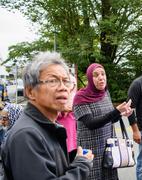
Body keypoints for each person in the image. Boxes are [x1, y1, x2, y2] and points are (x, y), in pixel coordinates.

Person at [0, 51, 94, 179]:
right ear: (30, 91)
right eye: (53, 81)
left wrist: (73, 159)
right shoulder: (26, 135)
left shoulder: (47, 125)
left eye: (66, 81)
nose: (63, 88)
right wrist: (81, 166)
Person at [73, 63, 133, 180]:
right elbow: (91, 123)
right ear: (90, 78)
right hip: (91, 149)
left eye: (103, 74)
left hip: (108, 147)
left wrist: (121, 114)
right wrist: (116, 111)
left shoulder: (105, 93)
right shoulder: (80, 97)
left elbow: (110, 120)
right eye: (96, 75)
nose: (101, 77)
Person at [57, 73, 78, 161]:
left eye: (73, 83)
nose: (71, 86)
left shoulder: (77, 96)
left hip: (73, 132)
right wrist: (62, 109)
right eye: (68, 83)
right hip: (62, 129)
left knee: (73, 155)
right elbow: (54, 113)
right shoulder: (58, 96)